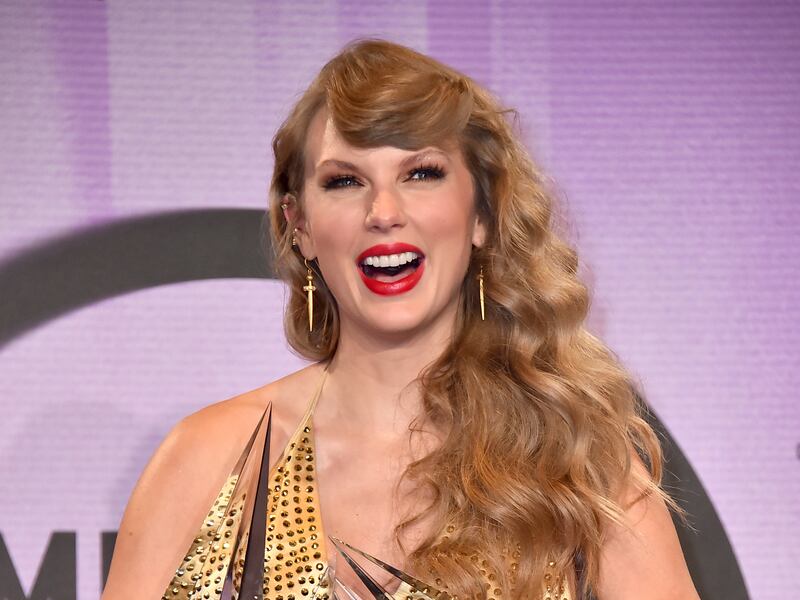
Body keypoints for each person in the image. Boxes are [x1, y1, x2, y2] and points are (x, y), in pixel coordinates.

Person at [102, 39, 700, 600]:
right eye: (344, 181)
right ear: (300, 227)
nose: (383, 212)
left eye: (421, 174)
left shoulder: (578, 466)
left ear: (482, 216)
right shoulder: (205, 460)